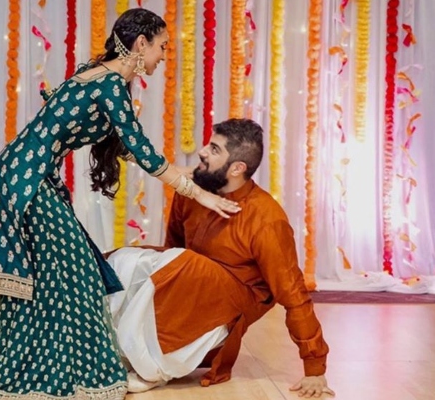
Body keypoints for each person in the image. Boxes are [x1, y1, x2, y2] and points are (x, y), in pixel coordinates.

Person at [0, 9, 240, 399]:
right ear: (141, 44)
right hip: (25, 180)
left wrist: (188, 172)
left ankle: (48, 360)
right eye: (163, 46)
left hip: (25, 175)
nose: (164, 56)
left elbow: (126, 147)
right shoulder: (111, 84)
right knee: (75, 272)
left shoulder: (102, 77)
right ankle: (39, 368)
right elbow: (140, 149)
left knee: (59, 274)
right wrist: (198, 193)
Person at [106, 118, 334, 398]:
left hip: (229, 308)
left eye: (214, 149)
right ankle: (114, 349)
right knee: (124, 260)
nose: (202, 152)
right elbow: (171, 253)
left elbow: (293, 294)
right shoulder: (192, 192)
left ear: (237, 168)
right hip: (187, 287)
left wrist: (314, 368)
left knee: (185, 264)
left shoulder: (266, 219)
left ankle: (151, 367)